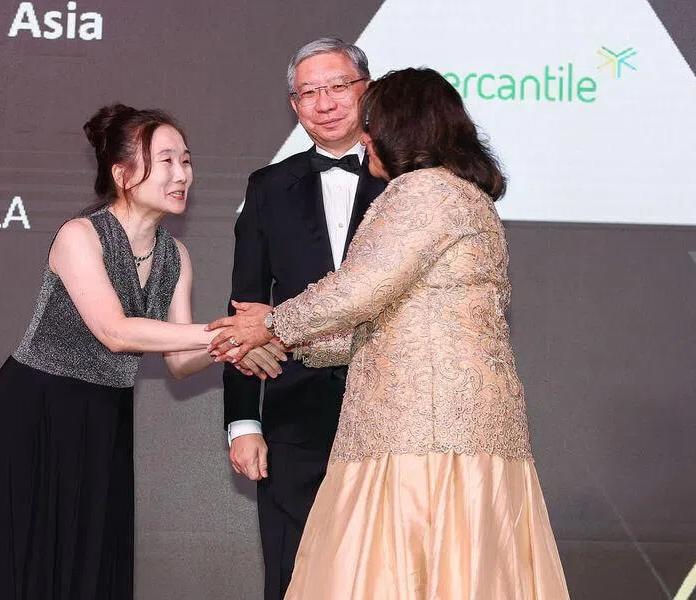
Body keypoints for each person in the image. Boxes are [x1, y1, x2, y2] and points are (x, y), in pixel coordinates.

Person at [210, 68, 572, 599]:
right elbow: (385, 324)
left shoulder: (425, 192)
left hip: (426, 429)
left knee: (401, 570)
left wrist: (269, 324)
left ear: (400, 128)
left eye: (371, 124)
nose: (364, 137)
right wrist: (283, 342)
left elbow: (359, 290)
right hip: (444, 425)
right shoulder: (457, 192)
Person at [0, 104, 231, 600]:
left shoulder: (175, 255)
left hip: (107, 411)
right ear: (122, 175)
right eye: (166, 161)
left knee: (91, 554)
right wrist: (226, 331)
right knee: (29, 554)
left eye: (186, 161)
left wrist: (234, 343)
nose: (181, 175)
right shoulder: (80, 235)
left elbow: (178, 361)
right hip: (38, 408)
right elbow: (116, 332)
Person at [221, 37, 386, 600]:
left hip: (393, 406)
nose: (325, 103)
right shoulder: (268, 187)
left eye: (338, 86)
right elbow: (244, 309)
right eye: (308, 92)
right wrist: (244, 422)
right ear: (294, 105)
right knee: (293, 573)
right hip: (295, 412)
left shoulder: (408, 181)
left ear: (366, 89)